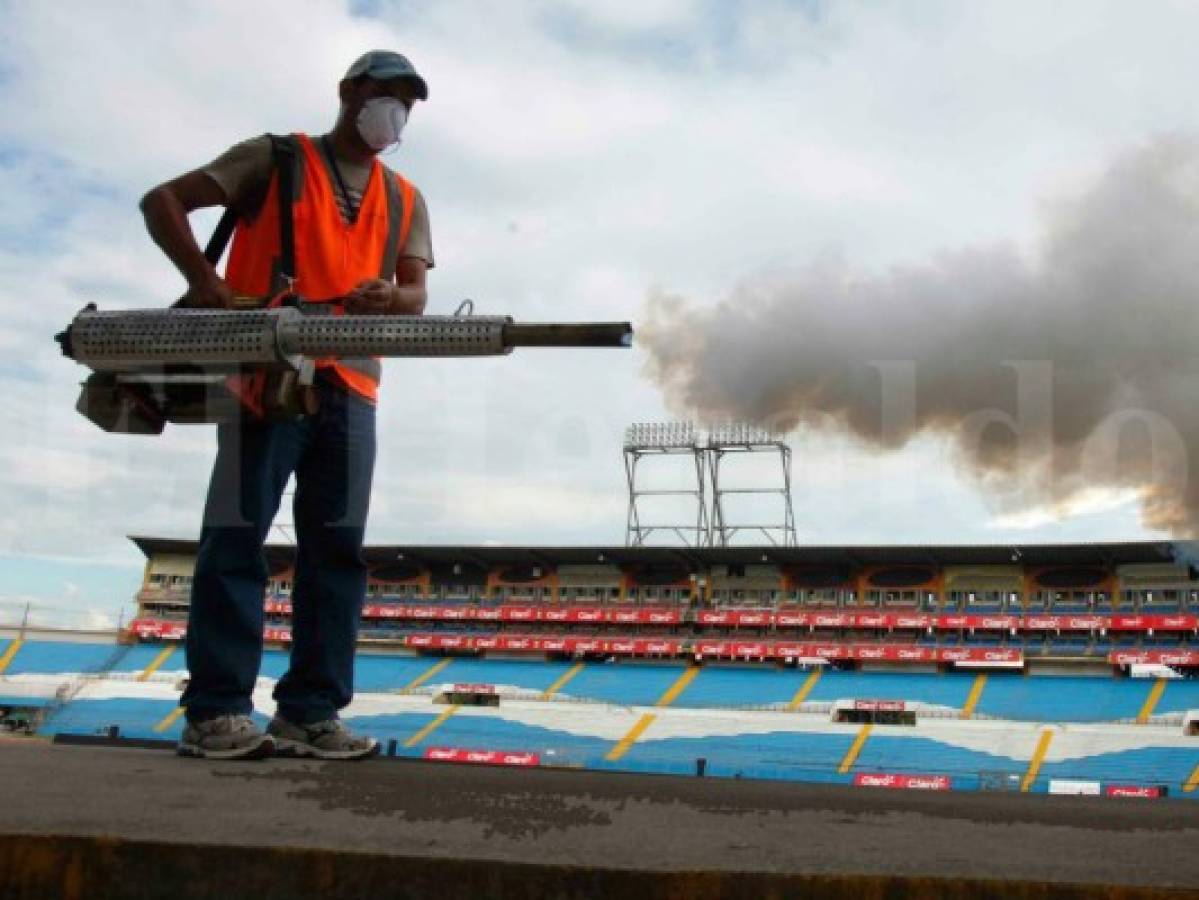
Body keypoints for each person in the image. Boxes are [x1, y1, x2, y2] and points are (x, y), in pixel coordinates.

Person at [140, 50, 434, 759]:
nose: (392, 110)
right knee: (237, 536)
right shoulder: (271, 159)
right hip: (266, 373)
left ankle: (308, 711)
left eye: (405, 101)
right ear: (347, 91)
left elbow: (415, 293)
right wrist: (206, 283)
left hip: (353, 385)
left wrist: (389, 298)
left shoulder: (405, 198)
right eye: (382, 93)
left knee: (336, 551)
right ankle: (215, 709)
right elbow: (162, 201)